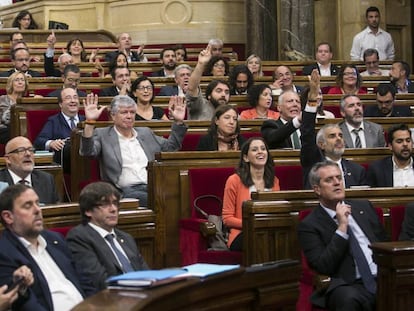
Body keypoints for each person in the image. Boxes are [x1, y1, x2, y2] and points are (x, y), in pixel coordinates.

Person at [297, 161, 387, 310]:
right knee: (348, 299)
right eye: (329, 180)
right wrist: (342, 227)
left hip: (381, 277)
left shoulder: (363, 207)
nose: (337, 182)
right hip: (347, 283)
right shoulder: (309, 225)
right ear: (317, 189)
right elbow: (323, 265)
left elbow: (384, 243)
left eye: (339, 177)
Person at [0, 184, 96, 310]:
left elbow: (84, 281)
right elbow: (27, 305)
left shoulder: (55, 239)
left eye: (37, 203)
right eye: (28, 206)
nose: (37, 210)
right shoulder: (4, 253)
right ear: (8, 217)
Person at [80, 94, 187, 207]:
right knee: (155, 199)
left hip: (154, 186)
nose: (129, 116)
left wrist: (179, 122)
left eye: (132, 112)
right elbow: (87, 152)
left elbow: (170, 148)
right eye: (124, 112)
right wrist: (90, 122)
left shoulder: (145, 133)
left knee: (181, 195)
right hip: (125, 190)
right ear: (113, 115)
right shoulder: (103, 134)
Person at [66, 181, 149, 290]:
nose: (113, 209)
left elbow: (146, 273)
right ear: (88, 211)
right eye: (105, 205)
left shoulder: (126, 238)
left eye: (115, 203)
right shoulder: (80, 237)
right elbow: (98, 281)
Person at [300, 71, 367, 189]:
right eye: (332, 136)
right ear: (321, 144)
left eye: (340, 135)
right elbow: (307, 133)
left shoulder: (357, 170)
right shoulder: (313, 163)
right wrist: (312, 101)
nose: (338, 139)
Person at [222, 137, 280, 251]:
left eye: (263, 149)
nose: (260, 152)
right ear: (245, 157)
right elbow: (227, 218)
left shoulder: (274, 181)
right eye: (254, 149)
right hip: (242, 233)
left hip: (269, 231)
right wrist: (254, 224)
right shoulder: (234, 180)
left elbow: (277, 212)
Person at [34, 87, 86, 173]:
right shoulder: (53, 121)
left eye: (75, 97)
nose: (73, 101)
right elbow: (39, 141)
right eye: (68, 98)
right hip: (65, 168)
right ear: (61, 104)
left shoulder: (86, 120)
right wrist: (51, 143)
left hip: (85, 165)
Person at [0, 136, 60, 204]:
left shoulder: (46, 179)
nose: (28, 154)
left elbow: (55, 210)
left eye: (31, 150)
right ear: (8, 159)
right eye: (21, 150)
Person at [186, 45, 231, 120]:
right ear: (209, 95)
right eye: (219, 91)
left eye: (226, 92)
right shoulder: (201, 105)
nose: (223, 95)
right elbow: (191, 88)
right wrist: (201, 64)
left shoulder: (231, 112)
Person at [367, 123, 414, 188]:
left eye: (408, 140)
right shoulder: (377, 169)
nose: (405, 144)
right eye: (399, 141)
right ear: (390, 146)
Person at [0, 72, 28, 144]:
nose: (20, 82)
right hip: (4, 131)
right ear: (11, 84)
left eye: (22, 80)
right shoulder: (2, 100)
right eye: (17, 80)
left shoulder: (28, 101)